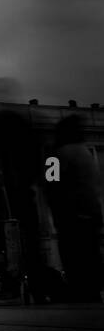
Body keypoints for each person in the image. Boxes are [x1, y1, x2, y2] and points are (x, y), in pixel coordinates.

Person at [48, 114, 104, 303]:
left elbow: (50, 183)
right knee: (90, 253)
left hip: (69, 213)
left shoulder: (56, 155)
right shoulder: (86, 152)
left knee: (73, 255)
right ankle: (92, 291)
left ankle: (79, 291)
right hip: (92, 210)